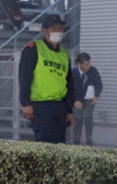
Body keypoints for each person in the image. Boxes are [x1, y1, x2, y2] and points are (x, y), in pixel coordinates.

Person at [18, 13, 76, 143]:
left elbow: (69, 84)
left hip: (60, 107)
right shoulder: (34, 49)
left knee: (60, 144)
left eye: (60, 28)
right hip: (41, 106)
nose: (58, 31)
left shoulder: (63, 55)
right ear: (44, 31)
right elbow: (24, 78)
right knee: (44, 143)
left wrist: (69, 110)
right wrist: (26, 103)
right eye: (54, 28)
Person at [71, 52, 103, 146]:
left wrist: (96, 96)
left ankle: (89, 141)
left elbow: (99, 85)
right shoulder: (73, 73)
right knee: (78, 119)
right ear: (79, 64)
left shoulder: (93, 71)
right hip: (77, 100)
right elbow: (69, 88)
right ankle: (76, 141)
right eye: (86, 64)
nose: (88, 66)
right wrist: (75, 101)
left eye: (89, 63)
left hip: (90, 100)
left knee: (89, 118)